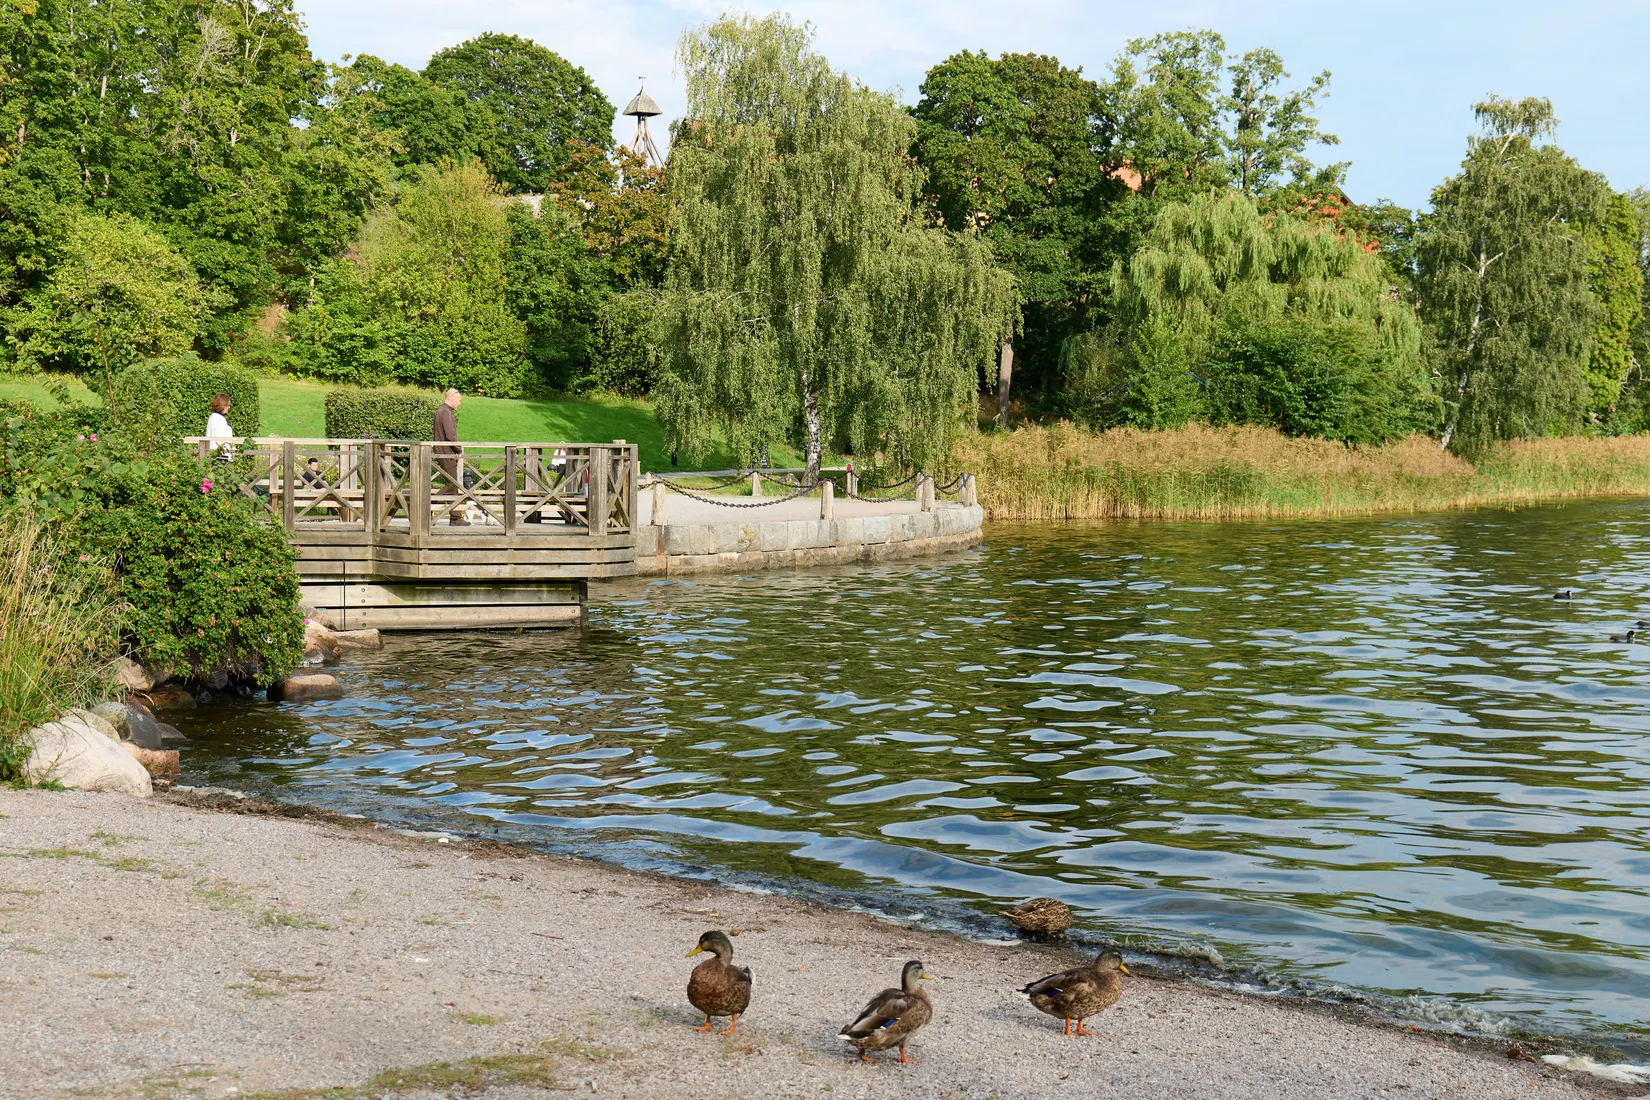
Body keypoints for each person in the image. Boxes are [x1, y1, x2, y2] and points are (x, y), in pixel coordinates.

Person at [432, 388, 469, 526]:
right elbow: (450, 436)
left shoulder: (440, 411)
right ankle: (428, 507)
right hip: (446, 453)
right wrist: (458, 449)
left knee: (453, 486)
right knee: (452, 484)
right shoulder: (446, 413)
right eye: (459, 401)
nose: (459, 404)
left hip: (443, 452)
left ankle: (455, 516)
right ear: (452, 398)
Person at [205, 393, 235, 461]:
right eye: (227, 405)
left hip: (216, 455)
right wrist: (232, 450)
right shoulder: (218, 419)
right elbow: (220, 439)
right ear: (222, 405)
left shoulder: (213, 417)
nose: (229, 407)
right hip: (221, 456)